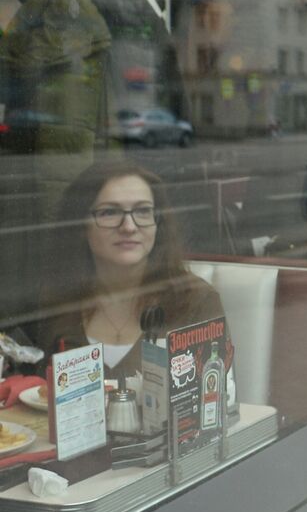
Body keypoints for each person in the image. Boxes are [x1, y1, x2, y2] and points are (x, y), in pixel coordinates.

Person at [35, 159, 226, 379]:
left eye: (143, 211)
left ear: (158, 224)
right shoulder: (59, 300)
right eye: (109, 212)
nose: (129, 227)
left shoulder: (197, 302)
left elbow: (219, 399)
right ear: (81, 226)